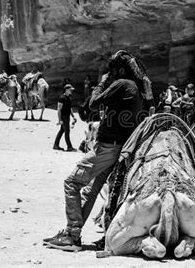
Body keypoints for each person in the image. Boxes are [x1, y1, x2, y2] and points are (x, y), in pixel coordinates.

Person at [44, 50, 153, 252]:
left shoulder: (121, 84)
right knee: (91, 190)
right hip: (119, 147)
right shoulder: (136, 87)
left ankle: (72, 236)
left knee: (71, 182)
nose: (110, 74)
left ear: (119, 70)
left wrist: (102, 82)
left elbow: (92, 104)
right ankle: (73, 234)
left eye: (112, 71)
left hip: (107, 147)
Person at [53, 84, 77, 152]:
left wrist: (73, 116)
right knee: (67, 131)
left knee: (62, 131)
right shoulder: (62, 98)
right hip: (64, 117)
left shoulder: (69, 97)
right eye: (70, 90)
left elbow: (70, 108)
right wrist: (60, 119)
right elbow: (59, 109)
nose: (71, 91)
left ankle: (56, 145)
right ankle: (69, 147)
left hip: (67, 116)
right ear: (66, 90)